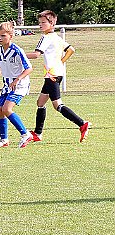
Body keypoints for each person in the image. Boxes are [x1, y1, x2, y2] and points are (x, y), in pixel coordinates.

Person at [26, 10, 91, 143]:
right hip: (56, 73)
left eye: (43, 22)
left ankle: (82, 123)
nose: (40, 25)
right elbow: (71, 49)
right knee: (40, 102)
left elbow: (36, 54)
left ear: (52, 23)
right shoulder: (56, 37)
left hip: (52, 75)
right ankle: (38, 133)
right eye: (40, 22)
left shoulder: (46, 38)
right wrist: (61, 61)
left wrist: (18, 54)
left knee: (57, 105)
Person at [0, 22, 33, 148]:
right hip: (7, 85)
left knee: (7, 109)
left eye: (3, 36)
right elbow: (1, 65)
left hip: (19, 85)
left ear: (11, 36)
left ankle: (25, 134)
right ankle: (4, 139)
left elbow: (29, 68)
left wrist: (17, 79)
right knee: (0, 111)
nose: (0, 38)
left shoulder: (17, 50)